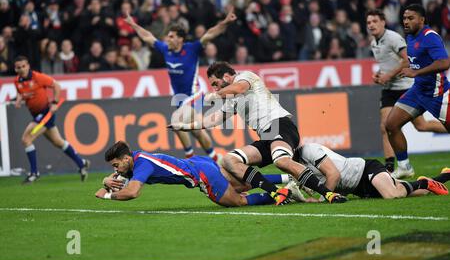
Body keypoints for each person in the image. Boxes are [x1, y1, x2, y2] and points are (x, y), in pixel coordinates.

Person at [169, 61, 347, 204]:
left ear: (226, 76)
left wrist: (214, 96)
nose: (215, 88)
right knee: (230, 160)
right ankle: (276, 192)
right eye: (213, 86)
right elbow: (212, 120)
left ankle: (328, 194)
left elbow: (238, 88)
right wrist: (184, 126)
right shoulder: (231, 100)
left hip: (280, 126)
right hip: (267, 137)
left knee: (281, 160)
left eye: (215, 83)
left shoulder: (246, 77)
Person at [124, 9, 238, 162]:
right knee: (196, 131)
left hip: (194, 95)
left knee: (177, 121)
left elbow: (210, 33)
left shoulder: (192, 49)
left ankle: (189, 157)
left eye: (171, 37)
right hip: (179, 98)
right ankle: (216, 158)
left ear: (180, 39)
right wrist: (133, 24)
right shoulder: (166, 50)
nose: (167, 39)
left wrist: (225, 22)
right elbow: (147, 37)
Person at [94, 141, 318, 206]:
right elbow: (109, 185)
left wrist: (107, 195)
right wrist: (106, 181)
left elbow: (132, 192)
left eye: (116, 165)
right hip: (200, 163)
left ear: (125, 158)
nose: (115, 170)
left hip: (200, 174)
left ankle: (285, 194)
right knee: (242, 185)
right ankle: (288, 179)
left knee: (237, 201)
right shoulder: (135, 161)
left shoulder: (142, 165)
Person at [367, 9, 447, 173]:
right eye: (404, 18)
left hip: (433, 91)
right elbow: (412, 62)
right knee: (389, 124)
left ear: (422, 19)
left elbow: (444, 63)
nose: (406, 21)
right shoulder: (409, 37)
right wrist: (382, 75)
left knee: (422, 126)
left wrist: (411, 72)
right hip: (415, 90)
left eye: (410, 18)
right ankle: (403, 166)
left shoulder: (428, 36)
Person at [13, 56, 90, 184]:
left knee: (26, 139)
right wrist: (18, 100)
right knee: (58, 142)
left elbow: (56, 86)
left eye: (23, 66)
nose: (21, 69)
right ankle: (81, 163)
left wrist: (55, 102)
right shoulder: (17, 81)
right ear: (15, 69)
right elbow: (21, 93)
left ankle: (34, 173)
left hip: (45, 113)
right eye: (18, 67)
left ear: (28, 66)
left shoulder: (38, 77)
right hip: (35, 114)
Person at [289, 143, 448, 200]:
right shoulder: (292, 165)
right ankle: (443, 175)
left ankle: (424, 182)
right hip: (357, 188)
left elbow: (334, 175)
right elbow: (302, 189)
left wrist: (325, 198)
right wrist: (305, 199)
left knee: (391, 195)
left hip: (365, 169)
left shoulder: (309, 150)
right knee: (419, 193)